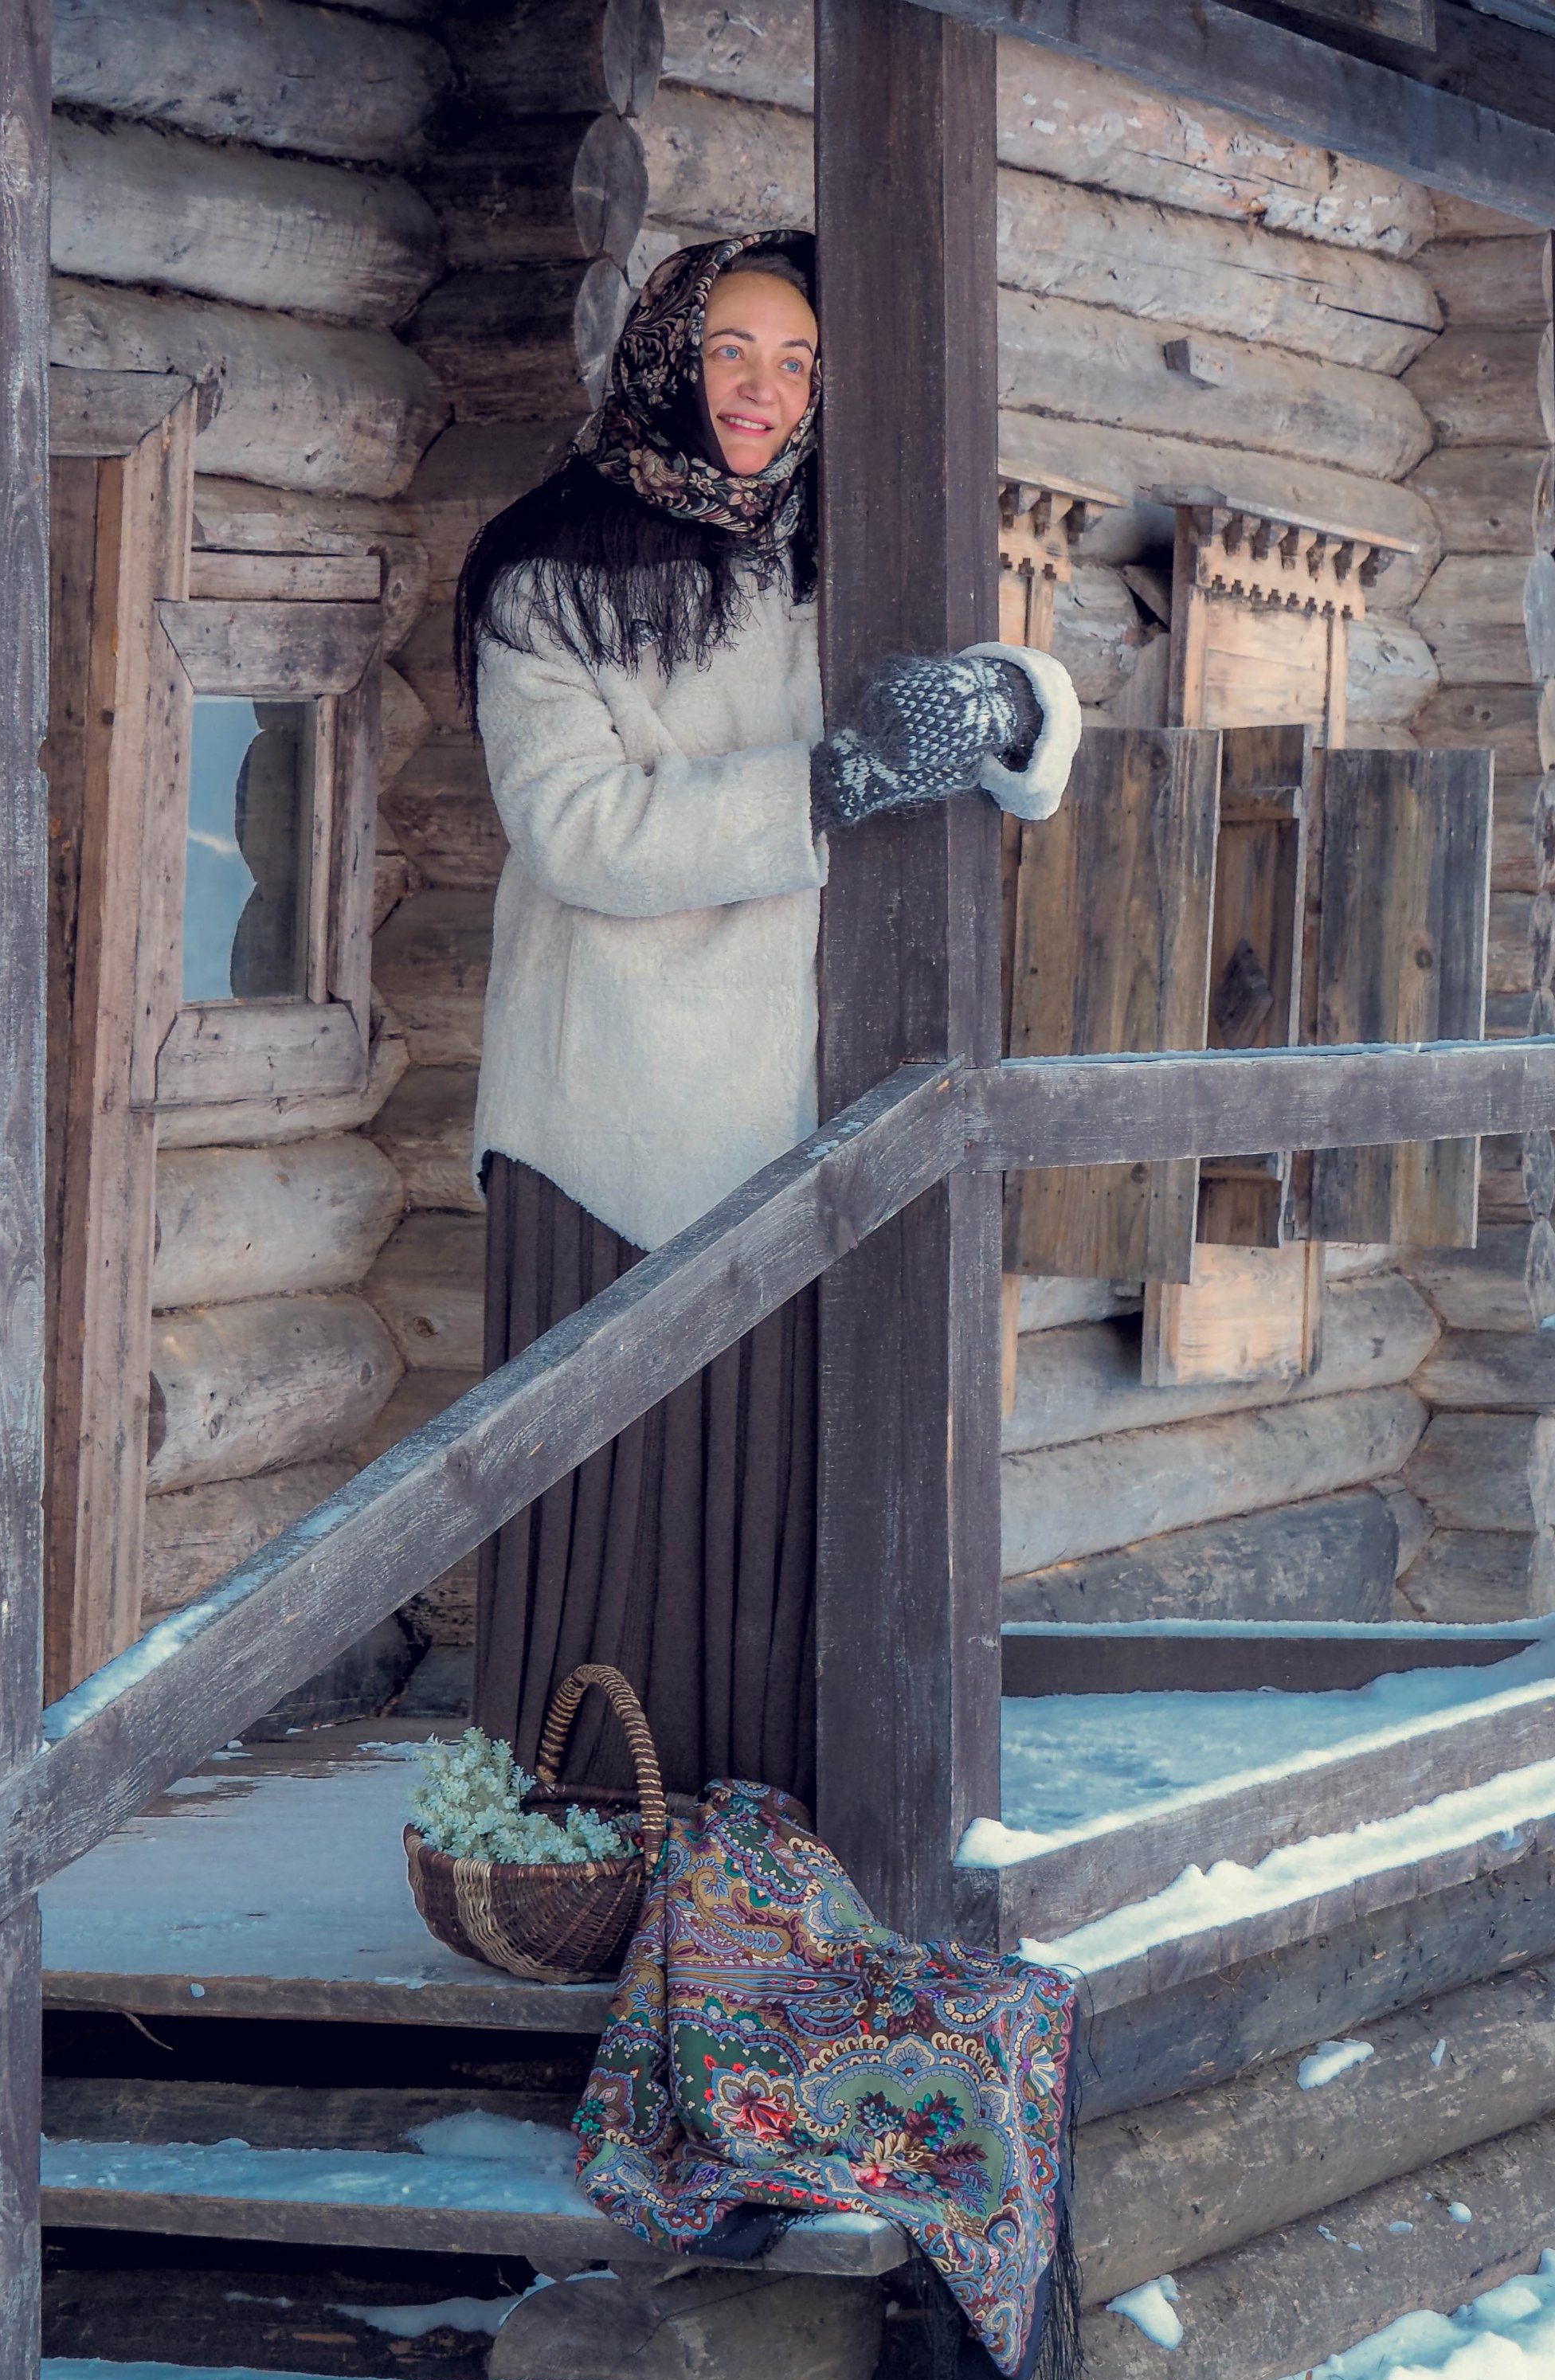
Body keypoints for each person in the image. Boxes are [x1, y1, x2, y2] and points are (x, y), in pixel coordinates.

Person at [456, 229, 1081, 1806]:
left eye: (797, 362)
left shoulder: (830, 557)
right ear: (669, 355)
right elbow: (578, 831)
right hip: (606, 1124)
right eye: (733, 350)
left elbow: (997, 707)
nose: (763, 389)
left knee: (777, 1512)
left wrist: (1012, 701)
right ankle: (586, 1839)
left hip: (796, 1125)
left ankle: (767, 1842)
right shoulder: (548, 579)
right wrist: (825, 784)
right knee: (614, 1506)